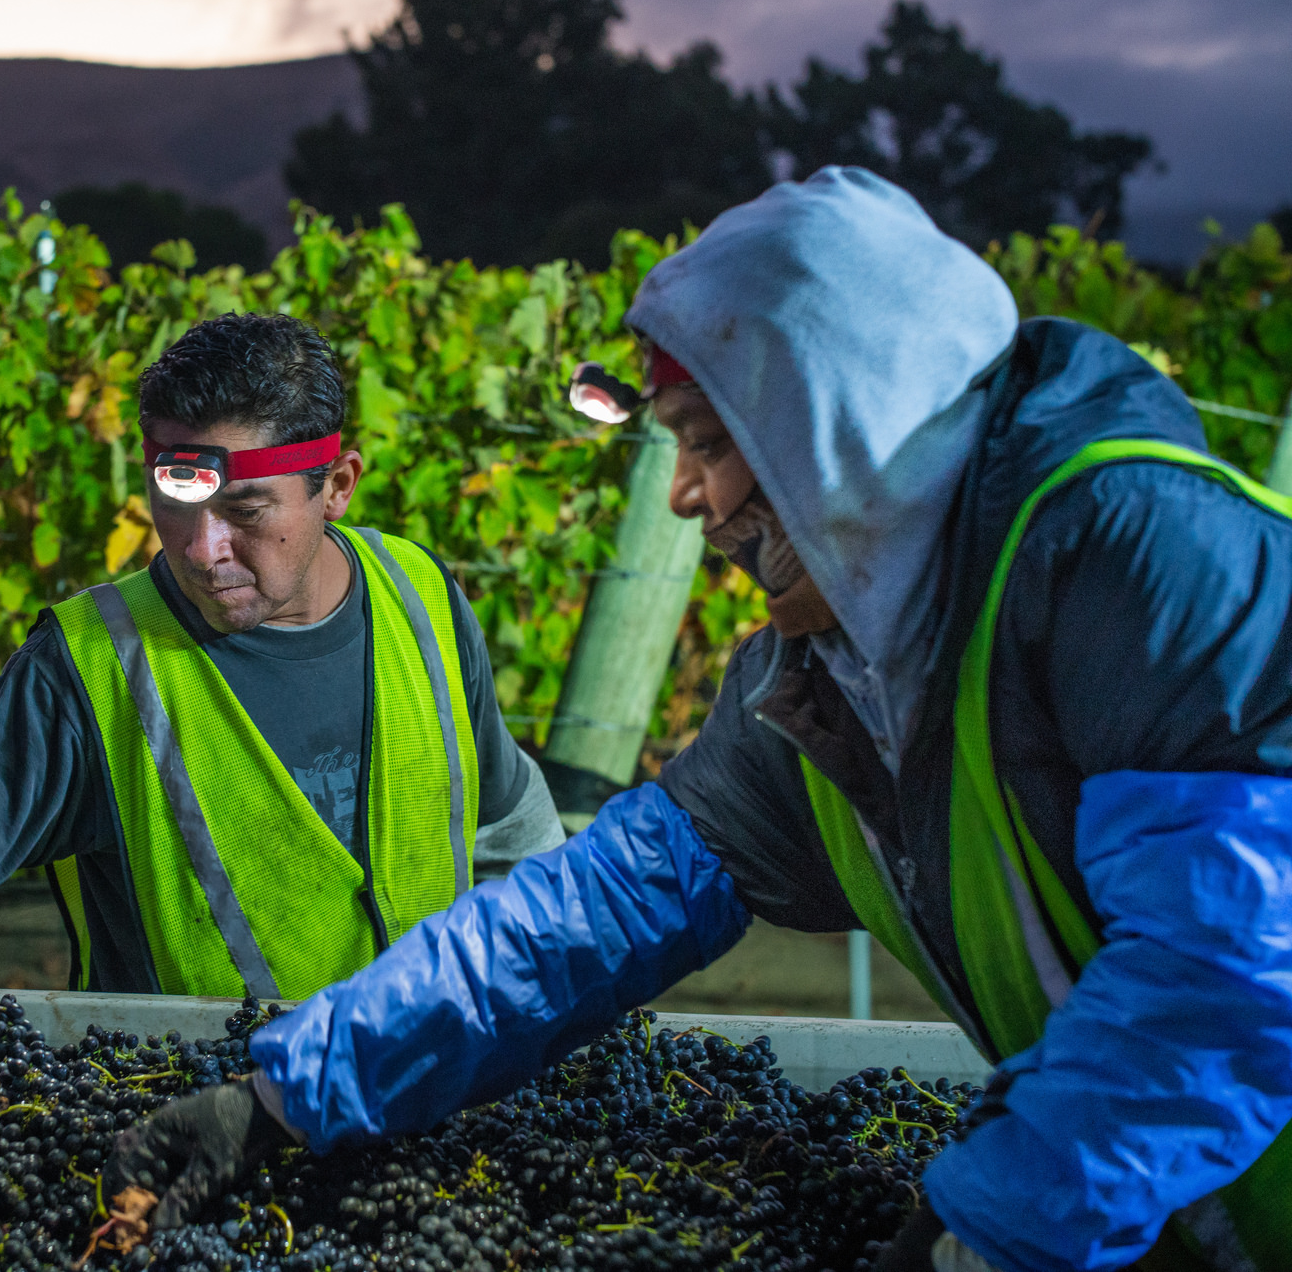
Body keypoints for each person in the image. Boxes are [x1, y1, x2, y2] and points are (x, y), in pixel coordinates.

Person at [108, 169, 1292, 1272]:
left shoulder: (1136, 563)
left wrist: (983, 1225)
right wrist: (276, 1097)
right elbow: (584, 919)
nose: (682, 496)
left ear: (845, 433)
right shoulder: (823, 690)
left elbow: (1231, 977)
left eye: (710, 444)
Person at [0, 312, 564, 1060]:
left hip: (428, 1099)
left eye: (244, 512)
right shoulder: (92, 665)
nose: (201, 547)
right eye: (176, 507)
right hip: (182, 1128)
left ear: (338, 486)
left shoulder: (420, 598)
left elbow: (514, 828)